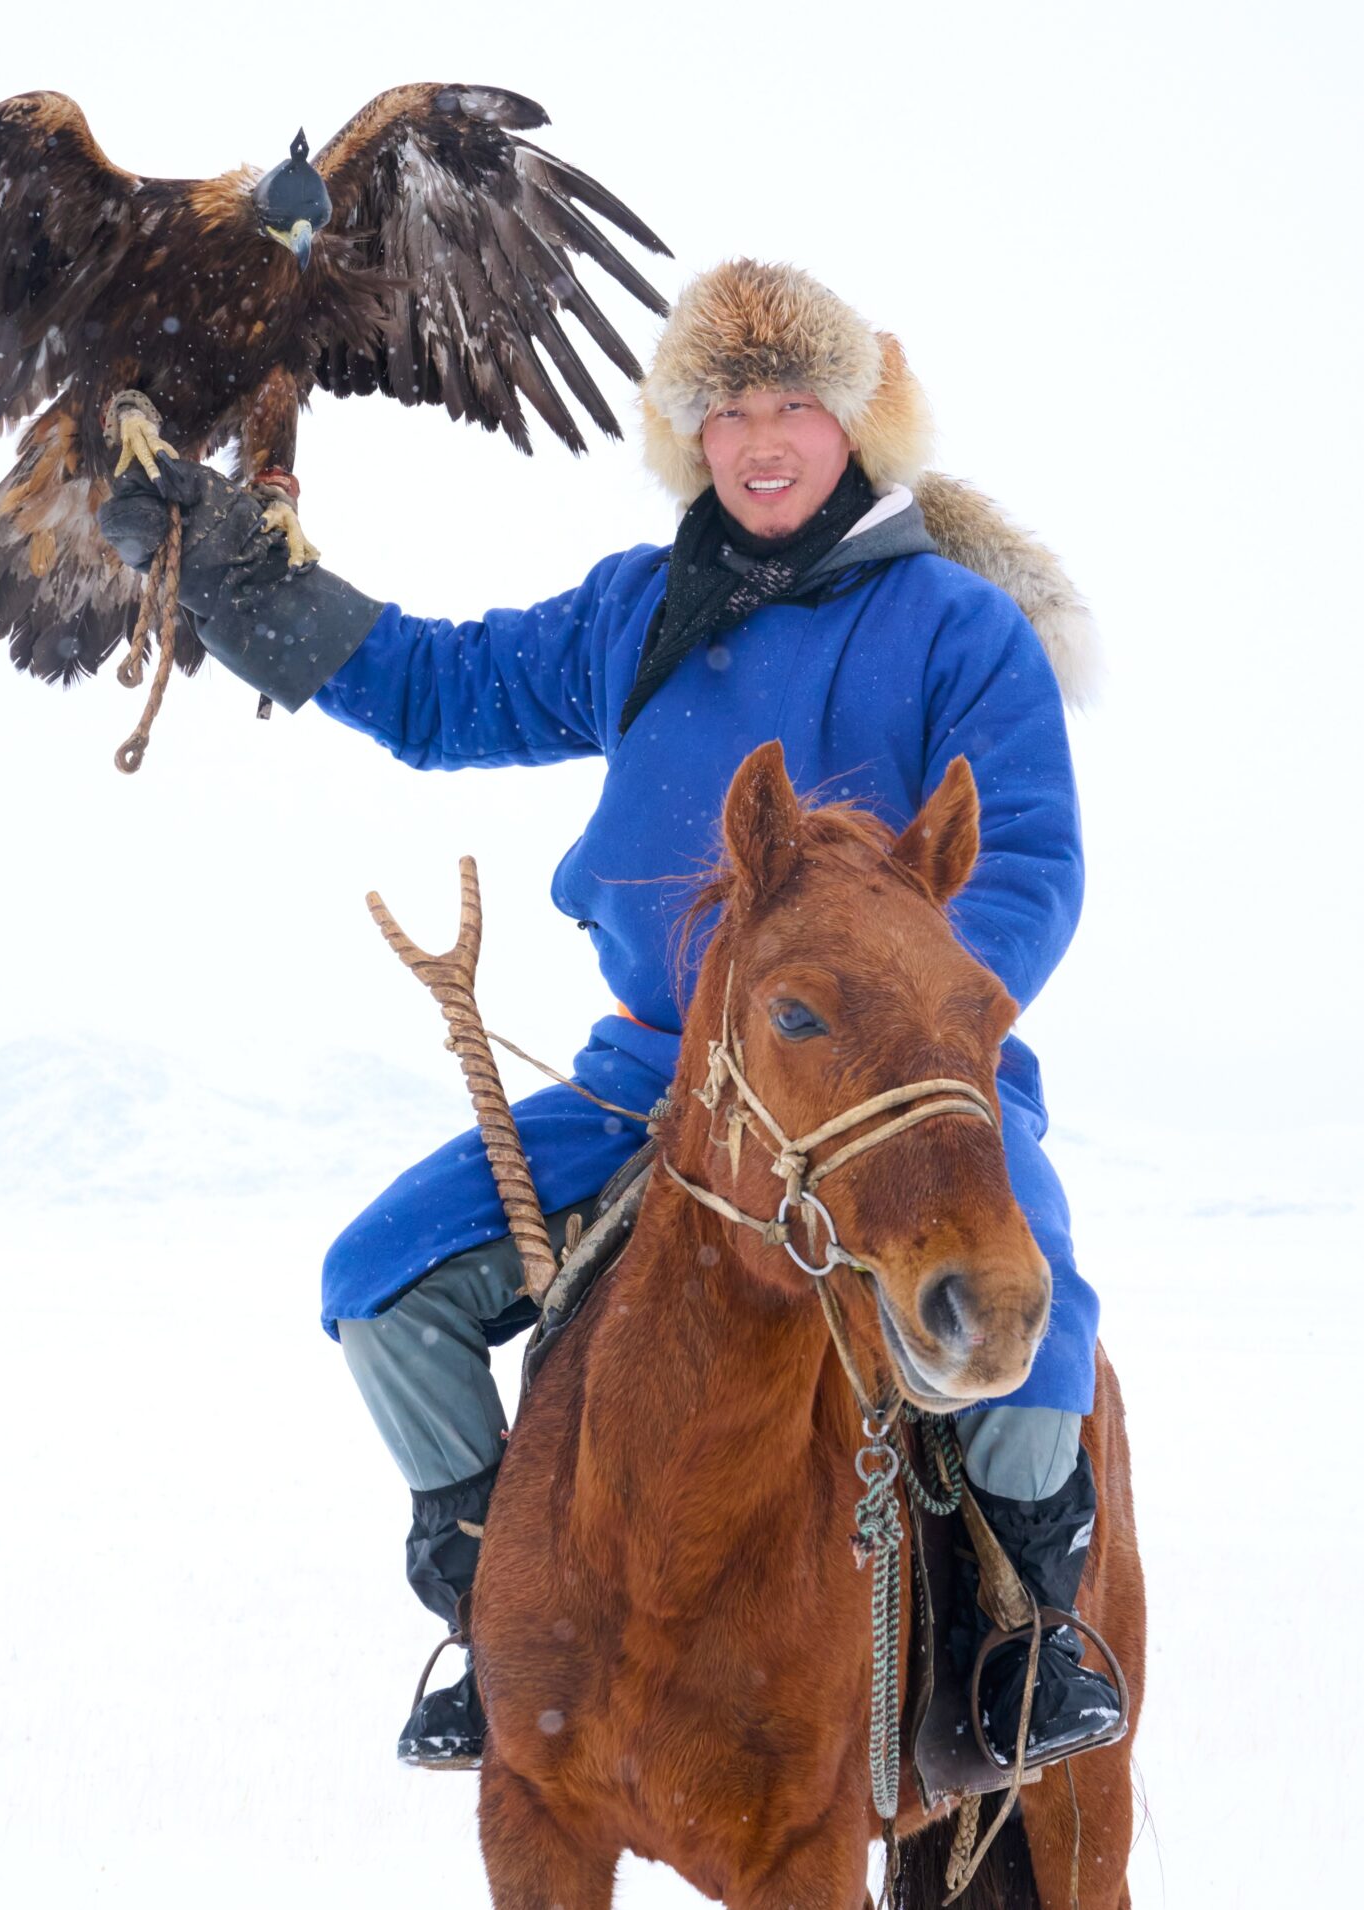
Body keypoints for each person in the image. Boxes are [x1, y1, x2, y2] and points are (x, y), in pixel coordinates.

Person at [102, 258, 1126, 1775]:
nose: (762, 440)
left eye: (797, 407)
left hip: (902, 1094)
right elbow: (442, 692)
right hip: (649, 1084)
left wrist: (890, 1039)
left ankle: (1016, 1643)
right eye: (726, 411)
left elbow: (1027, 866)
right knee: (379, 1281)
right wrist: (252, 587)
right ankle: (498, 1616)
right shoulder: (638, 612)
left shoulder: (956, 629)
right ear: (687, 439)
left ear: (858, 429)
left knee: (1034, 1324)